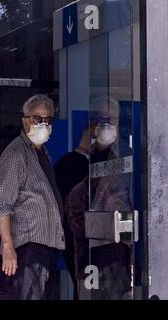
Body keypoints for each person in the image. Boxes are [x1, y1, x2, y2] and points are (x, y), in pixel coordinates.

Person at [0, 94, 65, 300]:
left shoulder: (42, 154)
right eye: (37, 119)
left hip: (45, 246)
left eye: (48, 120)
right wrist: (8, 247)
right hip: (27, 247)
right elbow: (2, 206)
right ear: (25, 121)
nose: (43, 124)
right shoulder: (17, 153)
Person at [66, 97, 133, 300]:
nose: (105, 124)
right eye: (100, 119)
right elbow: (74, 200)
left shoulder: (123, 154)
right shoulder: (88, 156)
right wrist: (82, 227)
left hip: (113, 246)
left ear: (118, 122)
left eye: (110, 119)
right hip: (88, 246)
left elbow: (117, 201)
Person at [54, 125, 93, 300]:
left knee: (80, 286)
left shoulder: (64, 161)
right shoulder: (79, 165)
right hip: (78, 237)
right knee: (85, 287)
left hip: (66, 235)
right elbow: (77, 206)